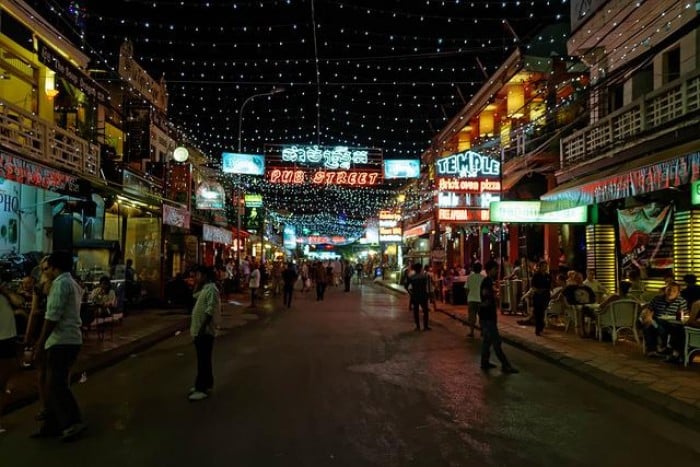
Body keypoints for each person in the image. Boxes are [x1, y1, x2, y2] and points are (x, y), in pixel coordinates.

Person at [33, 250, 86, 441]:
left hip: (62, 340)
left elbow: (52, 317)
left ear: (54, 267)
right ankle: (53, 425)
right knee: (54, 383)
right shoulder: (71, 283)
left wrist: (39, 344)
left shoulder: (60, 284)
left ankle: (72, 421)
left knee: (56, 384)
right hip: (69, 339)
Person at [188, 266, 220, 401]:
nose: (196, 277)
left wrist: (202, 329)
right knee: (203, 359)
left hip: (205, 331)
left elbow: (210, 310)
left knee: (203, 360)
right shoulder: (205, 288)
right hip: (200, 329)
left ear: (205, 276)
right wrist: (197, 283)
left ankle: (202, 388)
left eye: (198, 275)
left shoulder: (212, 289)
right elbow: (194, 296)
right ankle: (206, 383)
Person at [479, 261, 518, 374]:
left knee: (487, 341)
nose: (497, 271)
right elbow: (485, 296)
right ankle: (505, 365)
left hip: (487, 316)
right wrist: (493, 296)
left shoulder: (489, 281)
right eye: (495, 269)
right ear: (490, 270)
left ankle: (484, 362)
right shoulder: (487, 282)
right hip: (487, 316)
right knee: (496, 341)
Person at [642, 282, 688, 359]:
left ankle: (671, 350)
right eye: (669, 290)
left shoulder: (681, 301)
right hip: (657, 320)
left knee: (678, 329)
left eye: (674, 291)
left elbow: (684, 316)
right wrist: (648, 317)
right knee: (648, 325)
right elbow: (649, 309)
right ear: (665, 290)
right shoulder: (657, 299)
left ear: (678, 293)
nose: (670, 293)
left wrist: (681, 316)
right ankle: (652, 350)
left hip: (672, 323)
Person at [0, 281, 19, 434]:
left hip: (8, 340)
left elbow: (19, 302)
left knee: (4, 381)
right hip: (3, 340)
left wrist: (5, 291)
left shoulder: (4, 295)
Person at [407, 263, 431, 331]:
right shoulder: (425, 276)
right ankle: (425, 326)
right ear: (421, 268)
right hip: (423, 295)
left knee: (416, 311)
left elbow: (406, 286)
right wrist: (428, 294)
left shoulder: (412, 277)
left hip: (415, 295)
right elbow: (428, 287)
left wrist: (410, 293)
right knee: (425, 311)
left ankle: (418, 327)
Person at [530, 261, 552, 336]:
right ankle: (538, 329)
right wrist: (538, 291)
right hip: (537, 296)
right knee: (538, 313)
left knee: (542, 313)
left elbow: (550, 286)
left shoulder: (548, 276)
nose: (545, 267)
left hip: (545, 296)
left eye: (546, 266)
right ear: (540, 267)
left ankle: (541, 328)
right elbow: (533, 286)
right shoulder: (536, 275)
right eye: (543, 266)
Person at [464, 262, 483, 338]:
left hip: (471, 299)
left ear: (473, 269)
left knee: (472, 317)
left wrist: (468, 297)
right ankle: (482, 331)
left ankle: (471, 332)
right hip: (481, 300)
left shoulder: (469, 277)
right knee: (482, 317)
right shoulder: (483, 278)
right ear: (480, 269)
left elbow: (466, 289)